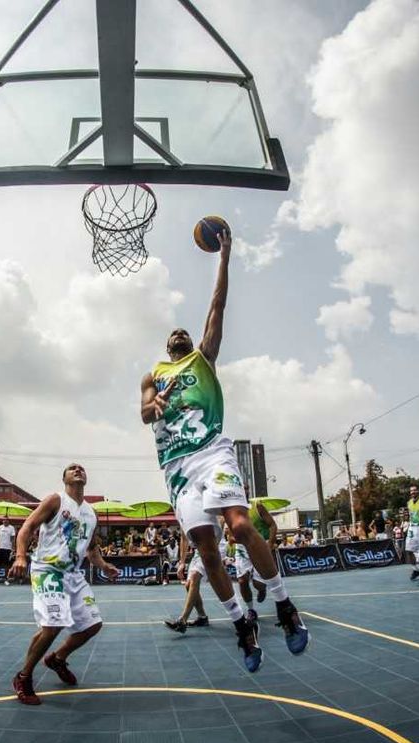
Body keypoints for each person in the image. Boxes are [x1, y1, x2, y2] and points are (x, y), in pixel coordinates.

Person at [140, 227, 307, 673]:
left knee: (238, 524)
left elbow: (217, 305)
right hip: (176, 469)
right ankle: (240, 625)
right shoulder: (153, 373)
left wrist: (225, 255)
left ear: (193, 344)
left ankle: (285, 606)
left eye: (184, 331)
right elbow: (143, 413)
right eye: (172, 332)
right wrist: (153, 405)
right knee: (207, 551)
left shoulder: (203, 358)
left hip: (212, 452)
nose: (179, 332)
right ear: (165, 347)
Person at [8, 463, 119, 705]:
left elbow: (91, 549)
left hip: (73, 574)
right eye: (72, 468)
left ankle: (57, 658)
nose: (78, 470)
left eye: (81, 468)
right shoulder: (55, 500)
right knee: (54, 623)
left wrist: (103, 566)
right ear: (65, 478)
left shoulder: (91, 513)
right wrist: (20, 556)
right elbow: (27, 527)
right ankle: (23, 676)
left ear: (86, 478)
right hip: (48, 570)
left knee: (92, 626)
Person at [164, 526, 212, 632]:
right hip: (198, 551)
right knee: (188, 585)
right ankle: (202, 618)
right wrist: (182, 563)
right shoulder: (182, 513)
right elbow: (184, 538)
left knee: (194, 576)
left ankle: (182, 620)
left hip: (212, 546)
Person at [247, 501, 280, 605]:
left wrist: (270, 544)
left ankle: (263, 589)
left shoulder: (257, 506)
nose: (245, 491)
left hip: (262, 545)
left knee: (259, 583)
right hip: (245, 546)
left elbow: (273, 525)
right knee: (243, 580)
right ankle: (250, 610)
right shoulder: (234, 509)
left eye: (247, 489)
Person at [404, 485, 419, 582]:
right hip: (412, 528)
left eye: (414, 490)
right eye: (411, 491)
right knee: (408, 550)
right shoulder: (409, 503)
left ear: (418, 491)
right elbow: (410, 515)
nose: (413, 492)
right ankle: (415, 570)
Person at [0, 520, 16, 585]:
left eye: (6, 520)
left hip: (8, 549)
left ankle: (6, 579)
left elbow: (13, 539)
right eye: (3, 520)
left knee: (7, 565)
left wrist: (13, 548)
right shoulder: (0, 527)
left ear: (8, 521)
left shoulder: (12, 528)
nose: (4, 521)